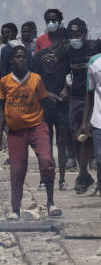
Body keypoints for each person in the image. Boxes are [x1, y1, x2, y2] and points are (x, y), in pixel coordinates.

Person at [0, 46, 62, 220]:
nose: (21, 60)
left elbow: (44, 101)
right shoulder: (5, 81)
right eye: (17, 57)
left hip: (37, 127)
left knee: (47, 161)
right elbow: (2, 108)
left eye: (24, 57)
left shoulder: (36, 79)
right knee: (17, 170)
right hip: (16, 131)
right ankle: (15, 209)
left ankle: (51, 203)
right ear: (11, 60)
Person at [66, 18, 101, 193]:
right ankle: (84, 173)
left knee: (87, 134)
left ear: (84, 34)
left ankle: (83, 175)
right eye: (71, 35)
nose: (74, 38)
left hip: (92, 97)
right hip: (75, 98)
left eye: (77, 34)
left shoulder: (94, 48)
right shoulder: (67, 51)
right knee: (76, 136)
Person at [31, 45, 71, 191]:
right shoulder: (38, 67)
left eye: (53, 58)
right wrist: (47, 93)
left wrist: (65, 90)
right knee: (45, 145)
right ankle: (44, 179)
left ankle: (62, 179)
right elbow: (33, 84)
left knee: (61, 143)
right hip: (44, 108)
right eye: (47, 59)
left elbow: (69, 80)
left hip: (61, 108)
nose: (50, 60)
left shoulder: (63, 66)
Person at [80, 50, 101, 209]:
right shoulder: (94, 62)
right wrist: (85, 121)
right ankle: (99, 183)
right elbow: (89, 92)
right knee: (99, 156)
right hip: (98, 118)